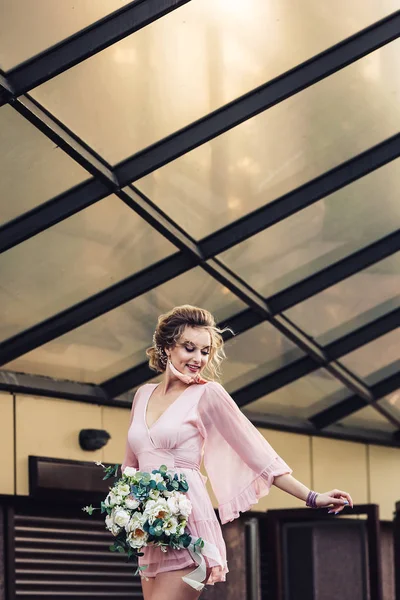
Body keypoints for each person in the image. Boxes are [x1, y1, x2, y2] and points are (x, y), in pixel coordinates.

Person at [122, 305, 353, 600]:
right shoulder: (142, 395)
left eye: (205, 352)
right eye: (189, 348)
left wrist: (312, 497)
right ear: (168, 347)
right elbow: (129, 466)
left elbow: (258, 453)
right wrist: (125, 512)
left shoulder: (208, 394)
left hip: (189, 526)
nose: (198, 359)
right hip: (151, 529)